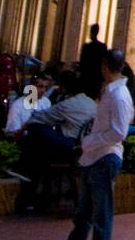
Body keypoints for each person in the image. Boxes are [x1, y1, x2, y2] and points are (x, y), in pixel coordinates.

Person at [36, 49, 133, 240]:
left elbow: (120, 133)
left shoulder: (119, 95)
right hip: (93, 158)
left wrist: (88, 142)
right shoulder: (109, 91)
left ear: (105, 65)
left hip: (105, 157)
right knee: (83, 218)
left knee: (101, 217)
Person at [13, 70, 97, 211]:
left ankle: (25, 172)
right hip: (84, 146)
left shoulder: (66, 105)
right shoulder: (90, 102)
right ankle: (41, 193)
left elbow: (38, 119)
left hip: (71, 147)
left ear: (63, 88)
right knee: (41, 155)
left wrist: (20, 132)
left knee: (36, 132)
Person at [78, 24, 107, 99]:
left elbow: (82, 63)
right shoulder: (102, 47)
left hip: (87, 78)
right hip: (97, 78)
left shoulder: (87, 47)